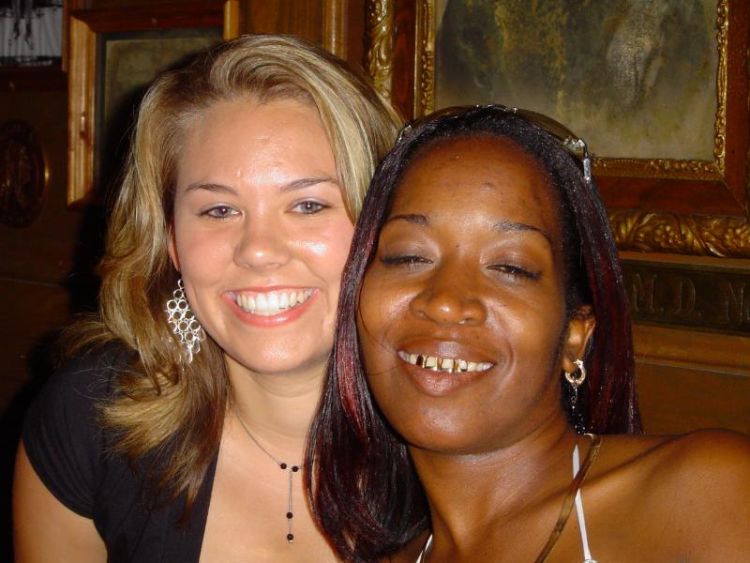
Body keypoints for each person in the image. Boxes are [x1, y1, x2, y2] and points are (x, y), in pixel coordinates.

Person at [13, 34, 401, 562]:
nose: (258, 250)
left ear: (385, 224)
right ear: (170, 240)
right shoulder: (89, 421)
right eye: (219, 211)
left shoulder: (464, 437)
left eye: (308, 205)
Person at [307, 105, 750, 562]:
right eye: (409, 256)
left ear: (574, 336)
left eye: (510, 267)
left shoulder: (708, 497)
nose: (445, 301)